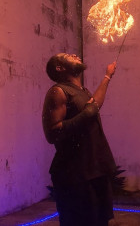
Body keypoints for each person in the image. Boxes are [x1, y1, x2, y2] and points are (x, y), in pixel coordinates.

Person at [42, 53, 117, 226]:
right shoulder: (58, 91)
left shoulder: (82, 92)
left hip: (96, 170)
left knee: (101, 221)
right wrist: (87, 113)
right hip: (75, 174)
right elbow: (51, 134)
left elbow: (95, 105)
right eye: (66, 55)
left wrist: (107, 76)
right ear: (60, 68)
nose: (74, 54)